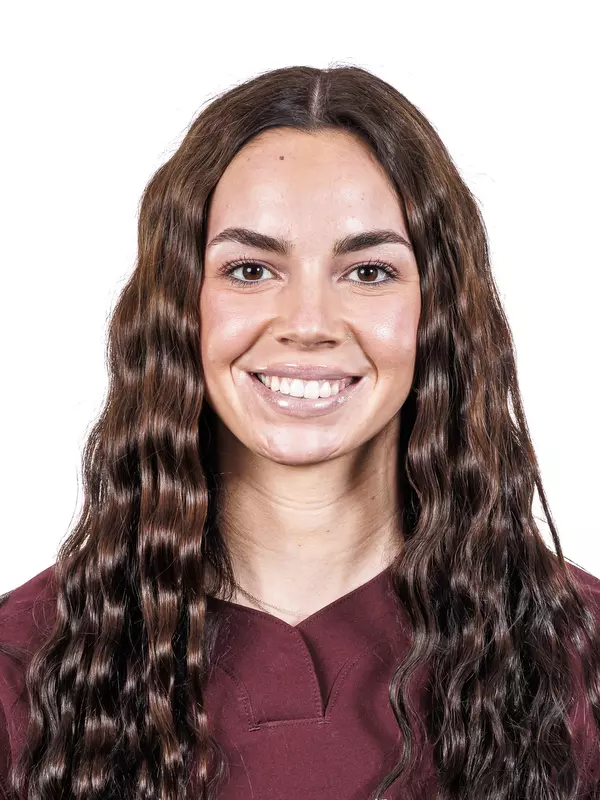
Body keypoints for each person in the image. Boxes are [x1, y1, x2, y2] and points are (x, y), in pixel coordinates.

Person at [1, 64, 599, 800]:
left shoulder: (579, 657)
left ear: (437, 311)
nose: (309, 324)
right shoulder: (24, 665)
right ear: (181, 308)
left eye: (370, 271)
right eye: (250, 269)